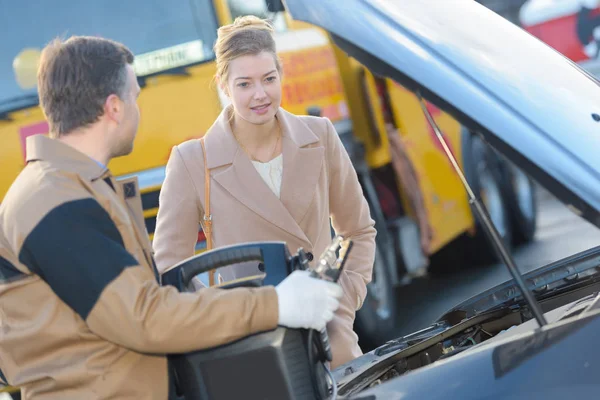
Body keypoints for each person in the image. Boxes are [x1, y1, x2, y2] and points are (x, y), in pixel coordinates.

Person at [0, 35, 344, 400]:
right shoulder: (55, 202)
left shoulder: (76, 187)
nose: (138, 110)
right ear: (114, 108)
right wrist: (276, 304)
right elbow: (144, 317)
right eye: (135, 97)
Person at [153, 16, 377, 369]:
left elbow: (358, 231)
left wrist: (341, 303)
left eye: (269, 79)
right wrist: (229, 322)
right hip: (254, 354)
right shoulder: (192, 161)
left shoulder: (319, 135)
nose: (260, 94)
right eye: (244, 84)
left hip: (330, 344)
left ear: (280, 74)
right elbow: (170, 270)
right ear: (223, 86)